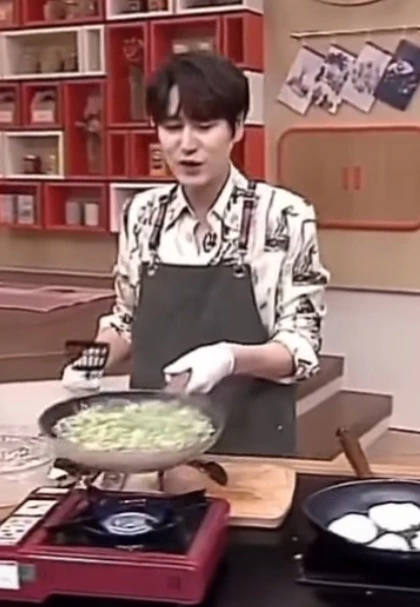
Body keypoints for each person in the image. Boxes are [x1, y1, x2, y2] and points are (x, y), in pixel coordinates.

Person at [61, 51, 330, 457]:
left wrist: (229, 358)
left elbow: (301, 348)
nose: (187, 145)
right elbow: (127, 320)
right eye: (172, 127)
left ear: (237, 127)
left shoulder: (283, 215)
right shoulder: (143, 213)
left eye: (205, 127)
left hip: (251, 439)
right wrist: (92, 360)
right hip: (154, 440)